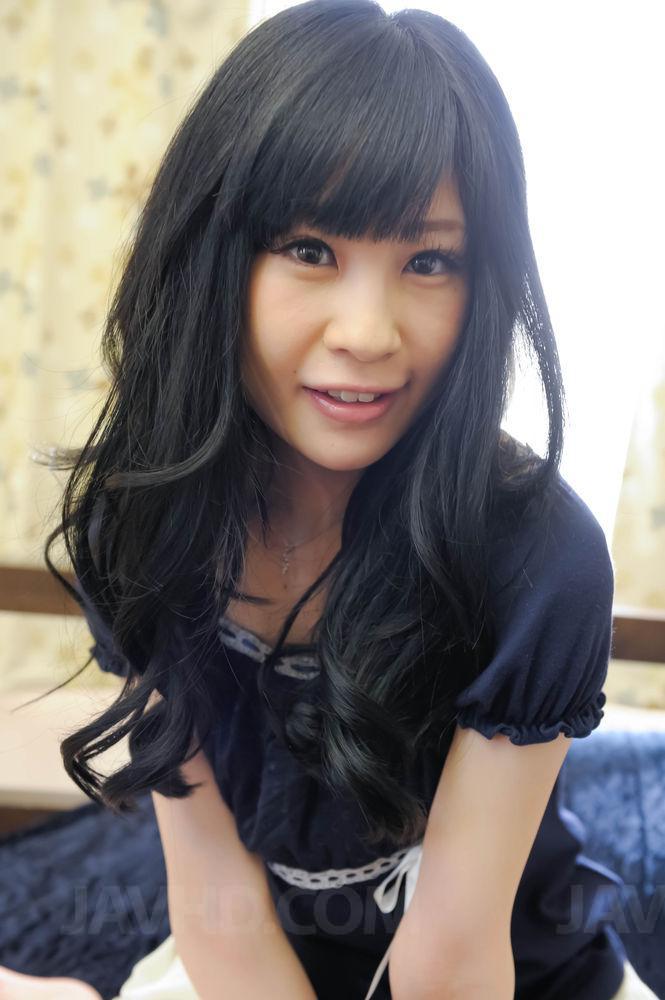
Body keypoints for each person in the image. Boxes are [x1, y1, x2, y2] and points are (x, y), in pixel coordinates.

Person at [2, 1, 658, 997]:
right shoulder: (140, 521)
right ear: (216, 255)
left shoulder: (537, 560)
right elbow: (214, 894)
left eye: (428, 261)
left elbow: (450, 957)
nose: (367, 332)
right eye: (310, 249)